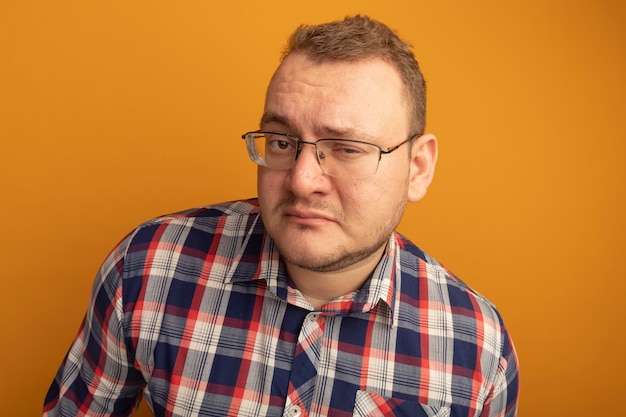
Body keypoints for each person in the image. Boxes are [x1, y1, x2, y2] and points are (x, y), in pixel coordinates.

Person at [43, 15, 519, 417]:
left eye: (347, 148)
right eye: (282, 143)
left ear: (417, 169)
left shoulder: (477, 349)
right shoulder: (146, 270)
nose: (300, 180)